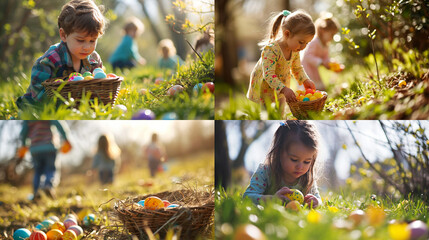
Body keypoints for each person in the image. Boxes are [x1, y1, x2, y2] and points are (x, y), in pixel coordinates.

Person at [16, 0, 107, 109]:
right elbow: (37, 94)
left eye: (92, 40)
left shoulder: (94, 59)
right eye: (80, 40)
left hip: (77, 104)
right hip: (40, 105)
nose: (87, 47)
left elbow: (98, 84)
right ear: (63, 35)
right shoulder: (50, 60)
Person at [246, 10, 316, 116]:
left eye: (307, 43)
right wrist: (283, 89)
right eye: (301, 42)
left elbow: (296, 68)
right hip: (265, 86)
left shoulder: (295, 50)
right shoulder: (271, 50)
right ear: (287, 34)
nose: (303, 47)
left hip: (282, 85)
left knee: (280, 110)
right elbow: (268, 75)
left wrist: (305, 80)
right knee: (267, 112)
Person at [243, 121, 322, 208]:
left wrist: (316, 202)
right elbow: (247, 197)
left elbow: (318, 199)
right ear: (279, 152)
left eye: (307, 162)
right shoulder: (265, 172)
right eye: (294, 159)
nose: (300, 167)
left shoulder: (307, 178)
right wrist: (272, 200)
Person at [18, 121, 71, 200]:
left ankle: (36, 192)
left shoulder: (28, 118)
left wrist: (23, 145)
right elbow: (59, 124)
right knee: (51, 169)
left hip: (35, 149)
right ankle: (48, 186)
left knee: (38, 171)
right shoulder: (47, 112)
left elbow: (23, 133)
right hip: (49, 147)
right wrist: (66, 139)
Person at [301, 12, 341, 91]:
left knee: (320, 87)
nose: (332, 38)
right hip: (306, 68)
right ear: (323, 31)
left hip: (314, 68)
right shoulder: (314, 42)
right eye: (331, 34)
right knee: (308, 87)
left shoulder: (325, 45)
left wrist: (330, 63)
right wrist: (321, 62)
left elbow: (325, 58)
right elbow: (307, 56)